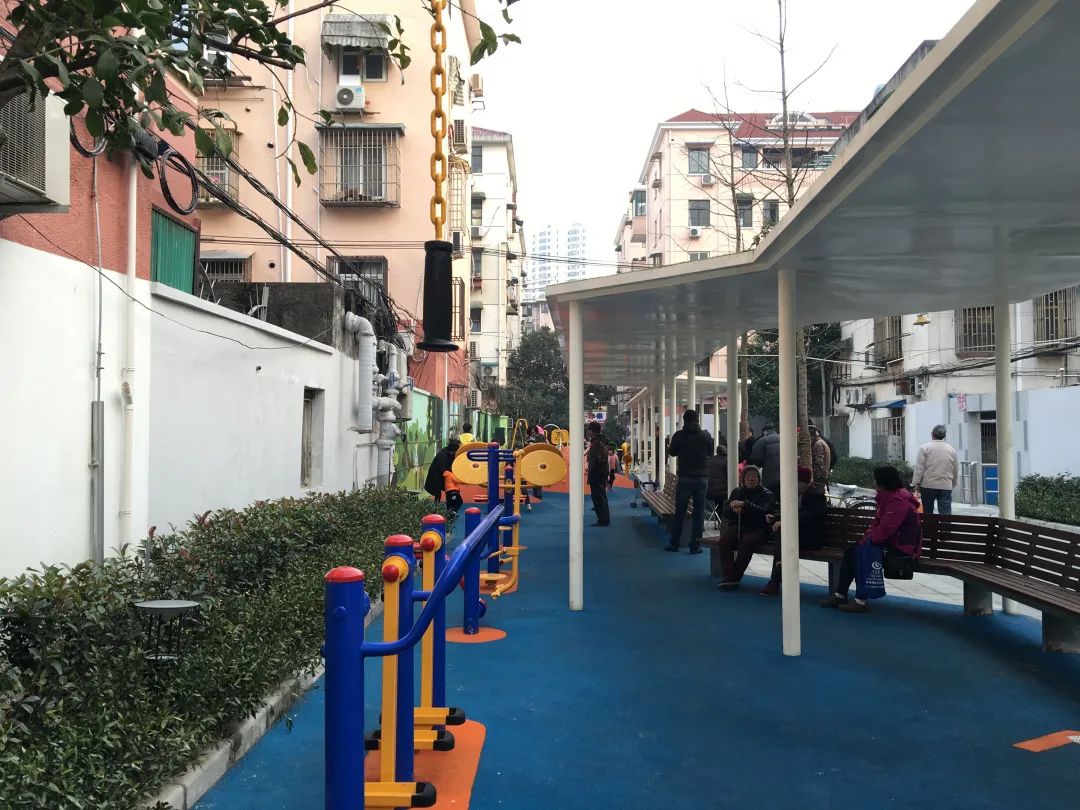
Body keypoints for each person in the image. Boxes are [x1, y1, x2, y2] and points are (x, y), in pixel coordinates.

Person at [821, 465, 922, 613]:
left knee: (863, 553)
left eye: (875, 480)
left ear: (883, 482)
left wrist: (868, 542)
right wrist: (866, 539)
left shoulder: (898, 501)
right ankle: (840, 595)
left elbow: (886, 529)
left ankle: (860, 601)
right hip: (890, 543)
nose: (873, 483)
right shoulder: (888, 497)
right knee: (852, 551)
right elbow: (877, 525)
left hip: (901, 547)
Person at [759, 466, 827, 595]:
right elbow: (789, 512)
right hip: (794, 536)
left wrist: (786, 522)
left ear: (805, 483)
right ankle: (780, 567)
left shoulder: (817, 495)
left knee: (782, 534)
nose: (793, 485)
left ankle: (776, 577)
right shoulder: (794, 493)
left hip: (810, 537)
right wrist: (775, 517)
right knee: (782, 535)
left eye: (796, 482)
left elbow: (809, 516)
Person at [716, 465, 777, 589]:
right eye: (748, 477)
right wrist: (733, 508)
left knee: (747, 541)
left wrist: (745, 505)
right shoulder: (737, 492)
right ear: (743, 479)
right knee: (724, 541)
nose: (751, 479)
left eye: (754, 477)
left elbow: (764, 512)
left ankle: (735, 577)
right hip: (738, 526)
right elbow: (725, 511)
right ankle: (728, 575)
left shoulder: (767, 494)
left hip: (758, 529)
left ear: (759, 479)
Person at [664, 410, 714, 554]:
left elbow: (672, 453)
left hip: (685, 477)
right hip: (702, 478)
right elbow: (710, 453)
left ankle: (675, 543)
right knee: (699, 513)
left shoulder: (679, 435)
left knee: (680, 512)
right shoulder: (705, 435)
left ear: (684, 420)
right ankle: (695, 546)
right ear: (697, 420)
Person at [911, 424, 958, 515]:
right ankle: (945, 525)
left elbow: (919, 468)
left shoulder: (925, 448)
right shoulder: (951, 449)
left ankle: (930, 525)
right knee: (945, 513)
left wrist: (915, 483)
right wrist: (953, 483)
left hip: (928, 485)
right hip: (945, 485)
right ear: (944, 435)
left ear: (932, 434)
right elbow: (955, 468)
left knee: (928, 512)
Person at [586, 422, 610, 526]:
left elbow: (596, 459)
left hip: (597, 473)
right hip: (602, 472)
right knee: (601, 496)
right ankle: (604, 518)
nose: (587, 432)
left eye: (588, 430)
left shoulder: (596, 443)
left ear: (592, 431)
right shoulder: (602, 440)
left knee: (598, 497)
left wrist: (590, 469)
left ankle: (602, 519)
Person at [424, 438, 461, 503]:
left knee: (444, 491)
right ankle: (438, 505)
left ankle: (442, 503)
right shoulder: (442, 455)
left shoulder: (448, 453)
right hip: (436, 476)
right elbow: (443, 469)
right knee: (438, 493)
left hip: (440, 476)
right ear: (454, 450)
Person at [750, 423, 781, 495]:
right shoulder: (784, 438)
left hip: (770, 477)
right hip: (786, 477)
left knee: (772, 498)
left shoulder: (761, 441)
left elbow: (756, 459)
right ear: (774, 430)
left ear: (764, 432)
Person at [706, 442, 729, 513]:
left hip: (708, 492)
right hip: (722, 492)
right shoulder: (727, 461)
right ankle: (722, 517)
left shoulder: (710, 460)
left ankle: (717, 516)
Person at [809, 424, 831, 488]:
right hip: (823, 475)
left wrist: (815, 475)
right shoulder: (821, 442)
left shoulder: (818, 444)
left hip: (820, 476)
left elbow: (819, 462)